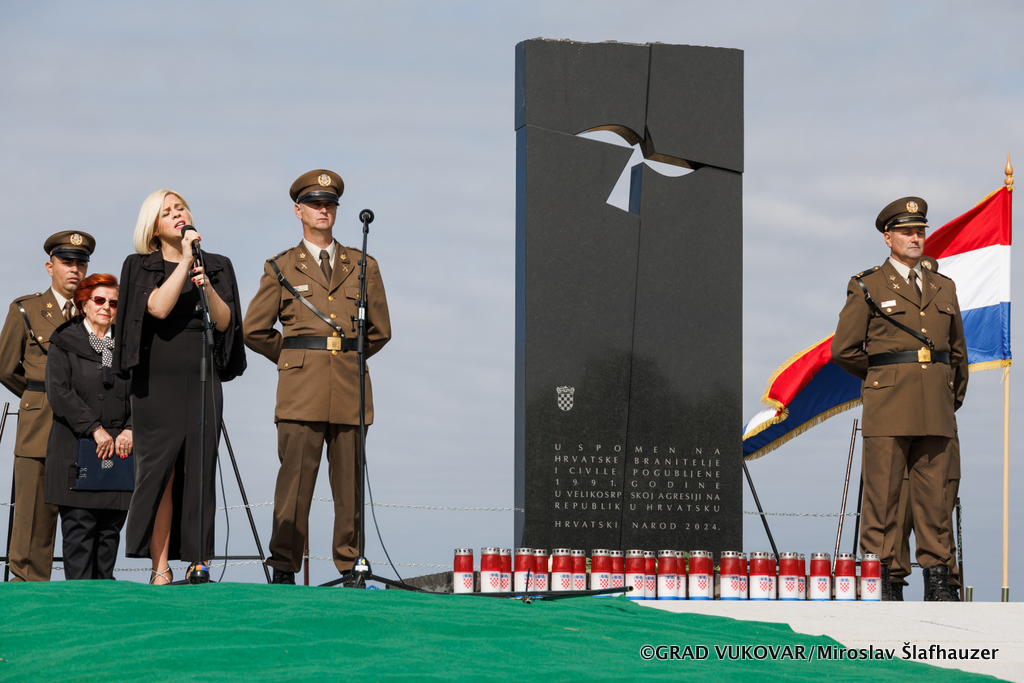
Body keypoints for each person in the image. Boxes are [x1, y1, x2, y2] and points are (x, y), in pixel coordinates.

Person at [244, 169, 391, 585]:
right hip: (301, 390)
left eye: (329, 204)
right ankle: (283, 566)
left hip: (349, 388)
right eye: (314, 204)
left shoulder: (363, 265)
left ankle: (351, 566)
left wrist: (346, 357)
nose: (322, 210)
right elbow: (253, 329)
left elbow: (380, 331)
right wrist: (295, 359)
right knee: (294, 484)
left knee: (349, 487)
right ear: (299, 211)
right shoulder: (280, 266)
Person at [832, 197, 968, 601]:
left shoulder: (944, 286)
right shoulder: (868, 285)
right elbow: (844, 349)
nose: (915, 238)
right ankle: (886, 580)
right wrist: (884, 379)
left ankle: (939, 580)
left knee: (937, 497)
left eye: (920, 231)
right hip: (889, 405)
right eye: (907, 231)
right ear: (888, 238)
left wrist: (950, 395)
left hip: (936, 406)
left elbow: (957, 353)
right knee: (884, 496)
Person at [117, 190, 246, 584]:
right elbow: (157, 308)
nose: (178, 214)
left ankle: (197, 561)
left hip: (202, 375)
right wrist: (186, 261)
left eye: (181, 208)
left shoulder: (218, 265)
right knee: (161, 473)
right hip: (156, 380)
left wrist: (206, 285)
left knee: (199, 469)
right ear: (153, 227)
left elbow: (225, 321)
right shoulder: (140, 265)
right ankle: (160, 568)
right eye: (167, 212)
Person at [0, 231, 94, 581]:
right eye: (66, 262)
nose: (74, 269)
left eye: (80, 263)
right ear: (49, 266)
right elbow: (5, 368)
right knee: (33, 515)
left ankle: (85, 590)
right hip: (40, 425)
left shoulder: (98, 310)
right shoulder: (26, 310)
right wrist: (41, 398)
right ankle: (28, 587)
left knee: (86, 514)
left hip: (87, 426)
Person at [45, 273, 133, 580]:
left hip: (120, 454)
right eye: (99, 300)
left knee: (109, 537)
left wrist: (131, 429)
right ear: (83, 304)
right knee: (79, 536)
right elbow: (60, 393)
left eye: (114, 303)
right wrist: (95, 428)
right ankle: (78, 606)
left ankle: (105, 606)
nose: (106, 307)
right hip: (76, 452)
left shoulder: (129, 345)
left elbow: (145, 392)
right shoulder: (64, 341)